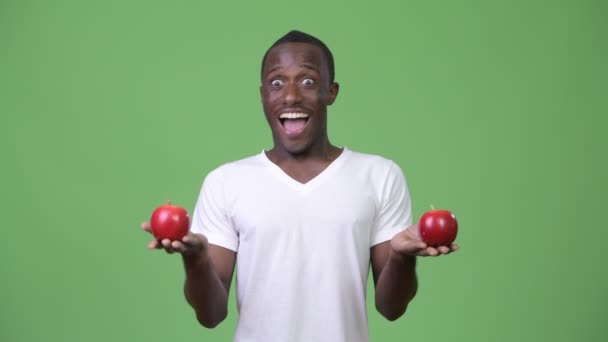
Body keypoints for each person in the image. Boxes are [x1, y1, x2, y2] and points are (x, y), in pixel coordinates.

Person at [141, 30, 458, 342]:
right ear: (263, 94)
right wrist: (195, 259)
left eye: (308, 81)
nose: (291, 96)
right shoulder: (225, 181)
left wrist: (403, 257)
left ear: (331, 92)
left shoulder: (380, 175)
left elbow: (391, 308)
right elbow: (210, 315)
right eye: (276, 83)